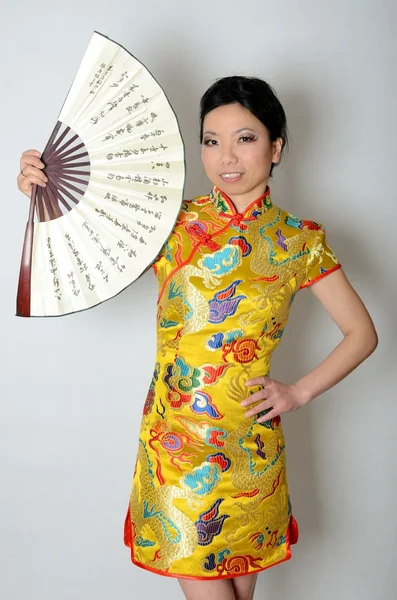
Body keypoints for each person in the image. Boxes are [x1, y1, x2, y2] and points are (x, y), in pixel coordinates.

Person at [17, 76, 378, 600]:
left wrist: (297, 393)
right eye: (211, 140)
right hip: (175, 447)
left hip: (251, 449)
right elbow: (80, 245)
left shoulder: (300, 241)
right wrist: (42, 191)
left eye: (245, 138)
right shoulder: (170, 222)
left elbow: (361, 333)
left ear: (276, 146)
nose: (226, 156)